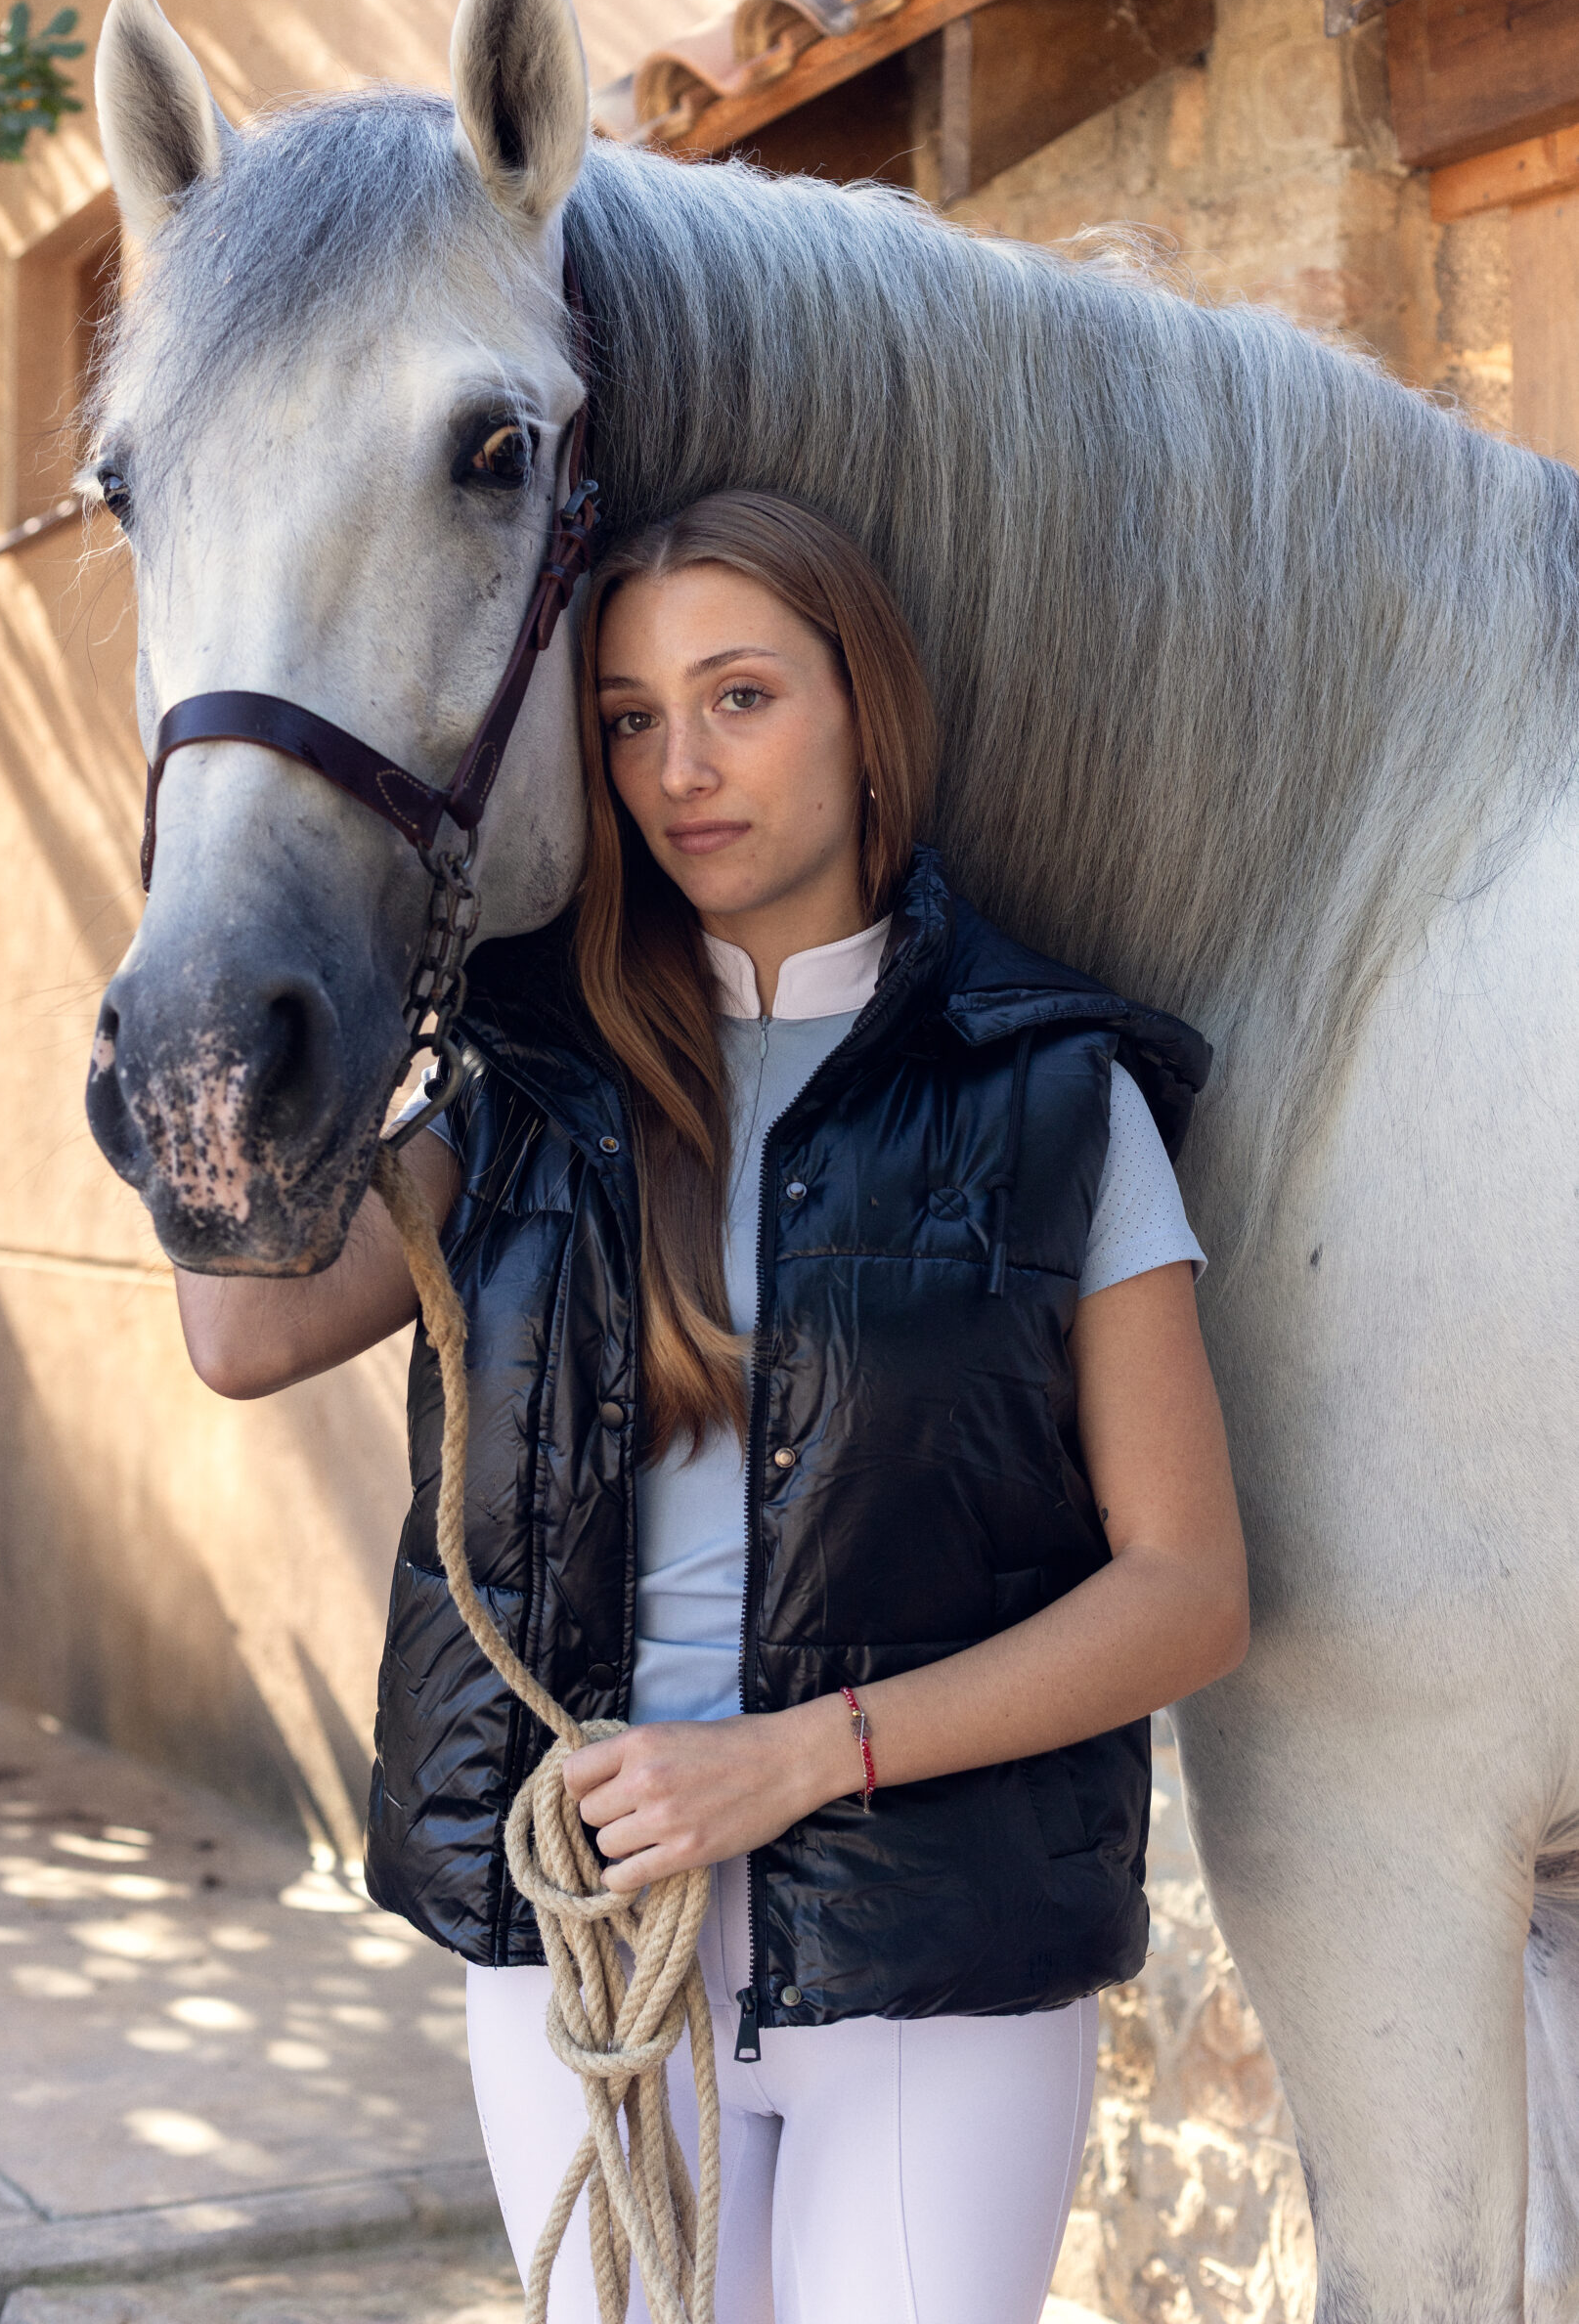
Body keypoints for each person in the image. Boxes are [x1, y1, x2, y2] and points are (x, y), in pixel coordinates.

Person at [176, 492, 1248, 2324]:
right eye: (629, 718)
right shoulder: (521, 1085)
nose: (681, 768)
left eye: (739, 697)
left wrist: (797, 1758)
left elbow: (1188, 1592)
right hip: (588, 1938)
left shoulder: (1055, 1089)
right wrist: (231, 938)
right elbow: (240, 1329)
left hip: (929, 1955)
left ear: (866, 715)